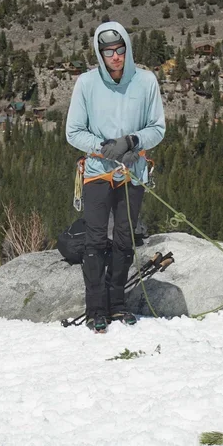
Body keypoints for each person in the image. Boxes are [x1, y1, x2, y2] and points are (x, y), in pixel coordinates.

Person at [66, 22, 166, 333]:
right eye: (108, 51)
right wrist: (104, 147)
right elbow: (73, 132)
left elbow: (157, 128)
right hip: (97, 171)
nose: (115, 56)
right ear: (100, 53)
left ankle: (118, 305)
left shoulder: (146, 82)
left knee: (124, 239)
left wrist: (133, 141)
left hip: (132, 172)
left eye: (120, 49)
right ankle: (96, 309)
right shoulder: (86, 84)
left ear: (127, 48)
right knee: (95, 241)